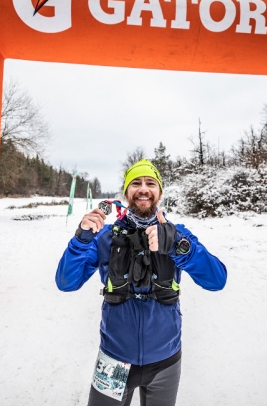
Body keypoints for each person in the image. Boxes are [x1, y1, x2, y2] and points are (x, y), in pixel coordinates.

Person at [56, 159, 227, 406]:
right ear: (126, 193)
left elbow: (217, 280)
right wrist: (82, 240)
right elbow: (66, 282)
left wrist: (179, 248)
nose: (143, 188)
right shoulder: (105, 236)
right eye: (136, 183)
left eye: (150, 183)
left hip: (165, 362)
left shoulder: (178, 235)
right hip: (114, 360)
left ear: (159, 193)